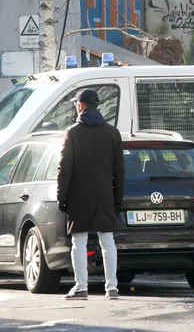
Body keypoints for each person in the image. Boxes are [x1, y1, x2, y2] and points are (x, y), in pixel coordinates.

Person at [57, 88, 125, 300]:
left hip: (78, 195)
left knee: (79, 241)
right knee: (107, 239)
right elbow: (119, 170)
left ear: (80, 105)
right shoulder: (112, 133)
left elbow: (64, 168)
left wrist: (62, 197)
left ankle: (81, 287)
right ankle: (112, 287)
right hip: (105, 194)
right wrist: (117, 199)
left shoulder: (73, 133)